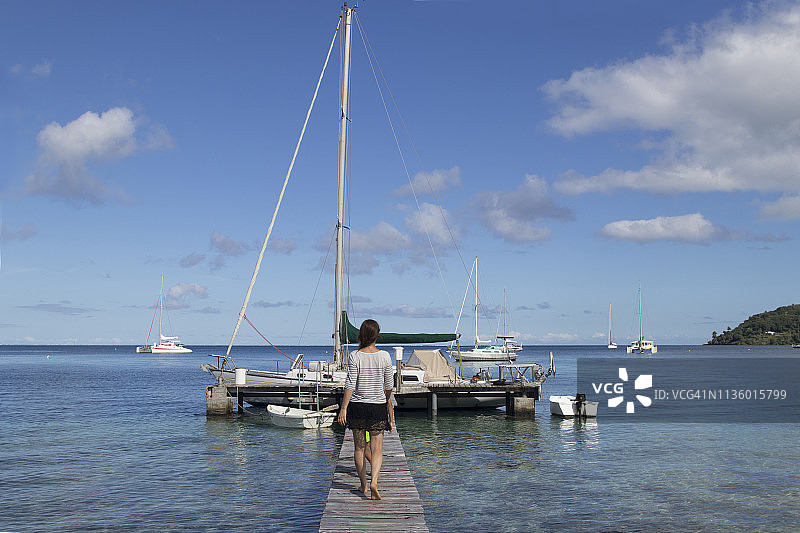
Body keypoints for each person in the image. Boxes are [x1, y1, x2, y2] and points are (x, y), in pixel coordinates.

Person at [337, 319, 395, 500]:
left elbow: (350, 384)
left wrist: (343, 408)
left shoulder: (355, 355)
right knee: (377, 449)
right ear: (377, 335)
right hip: (377, 406)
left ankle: (362, 484)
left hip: (358, 406)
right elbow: (389, 384)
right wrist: (386, 401)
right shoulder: (385, 356)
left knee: (359, 448)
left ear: (361, 335)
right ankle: (374, 482)